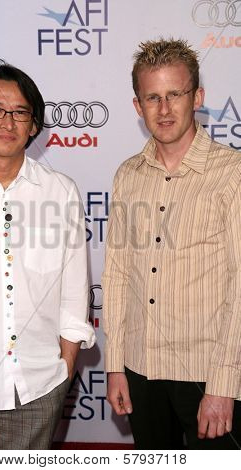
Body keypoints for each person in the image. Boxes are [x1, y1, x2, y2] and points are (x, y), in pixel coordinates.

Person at [0, 59, 95, 450]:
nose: (8, 122)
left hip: (38, 383)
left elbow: (74, 286)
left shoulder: (59, 191)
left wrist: (66, 363)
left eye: (20, 112)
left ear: (34, 125)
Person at [102, 38, 241, 450]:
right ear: (137, 105)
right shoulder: (128, 175)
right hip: (140, 369)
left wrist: (223, 383)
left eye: (175, 94)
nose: (164, 110)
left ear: (197, 97)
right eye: (152, 97)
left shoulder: (232, 173)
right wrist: (115, 367)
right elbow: (117, 275)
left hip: (206, 374)